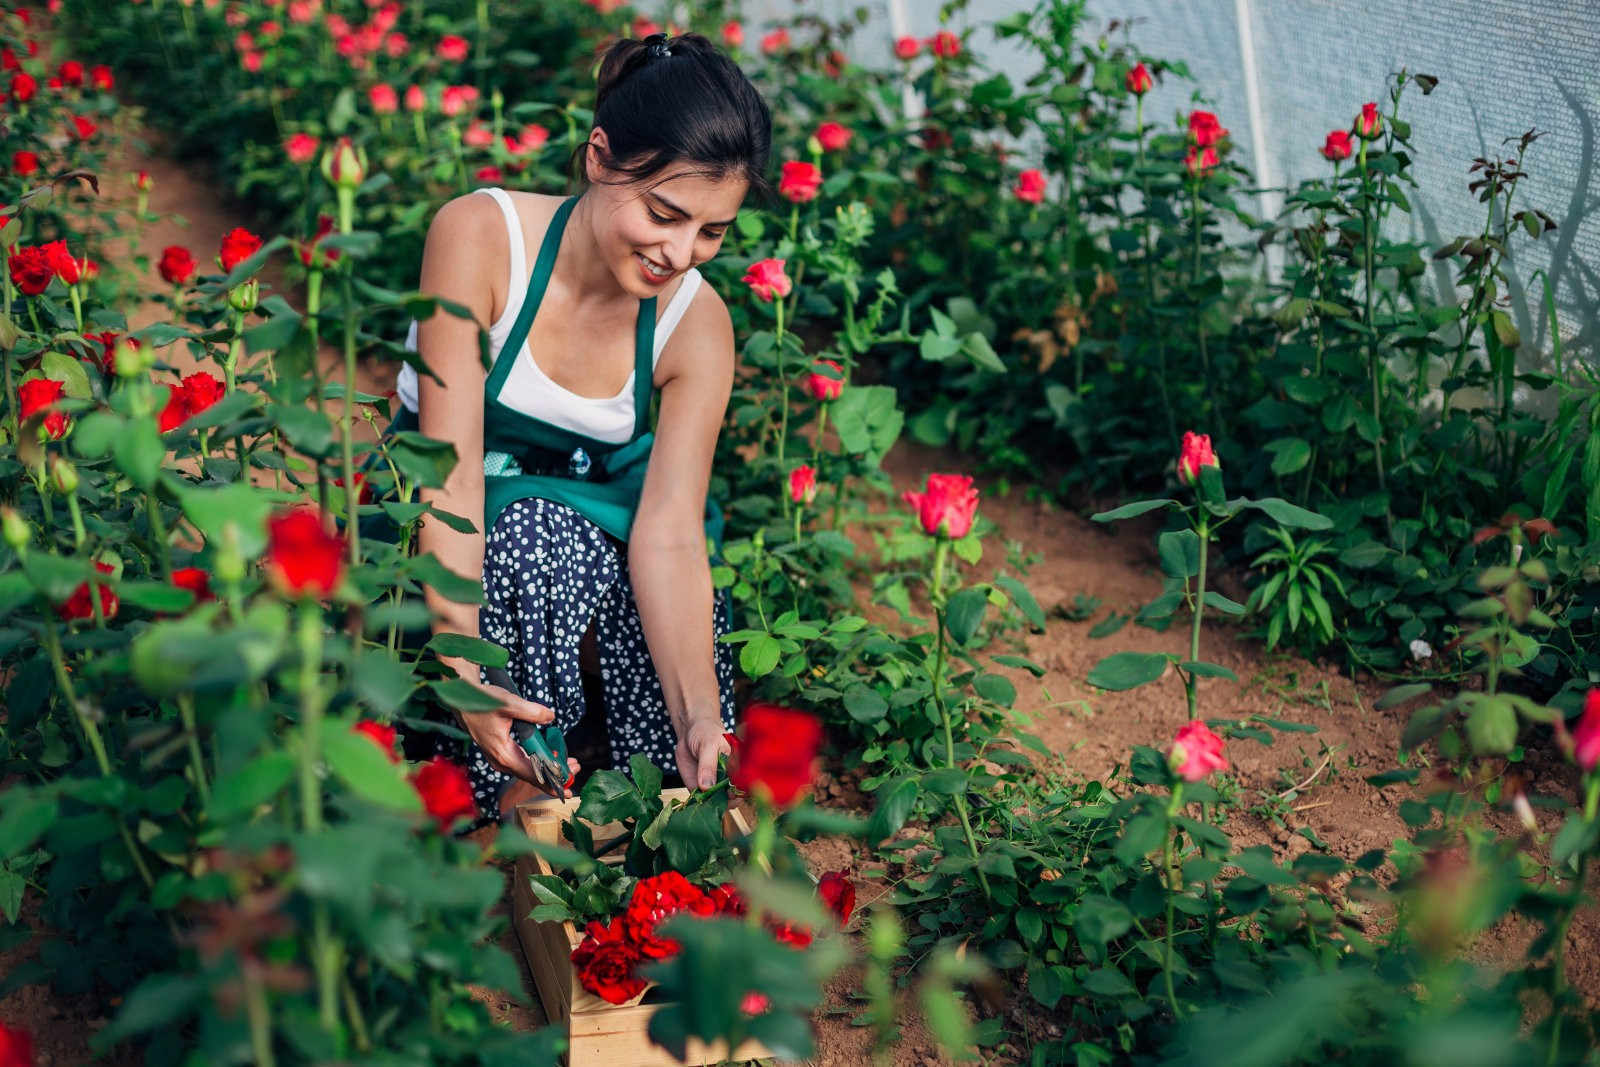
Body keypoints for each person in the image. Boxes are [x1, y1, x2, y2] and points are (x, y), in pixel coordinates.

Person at [396, 31, 772, 821]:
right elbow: (450, 476)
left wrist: (700, 712)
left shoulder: (697, 326)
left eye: (712, 232)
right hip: (442, 525)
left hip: (589, 523)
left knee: (661, 599)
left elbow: (669, 529)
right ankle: (520, 797)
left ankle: (661, 809)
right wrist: (462, 668)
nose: (680, 253)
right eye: (665, 213)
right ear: (600, 157)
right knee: (536, 536)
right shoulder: (482, 238)